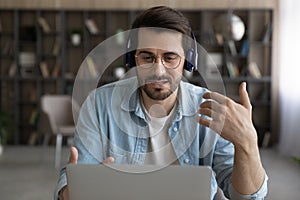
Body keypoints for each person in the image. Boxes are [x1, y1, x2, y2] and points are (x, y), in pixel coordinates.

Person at [55, 6, 268, 200]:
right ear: (132, 59)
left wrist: (248, 143)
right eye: (147, 57)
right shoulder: (98, 105)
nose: (158, 71)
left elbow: (247, 197)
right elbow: (70, 186)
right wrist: (73, 193)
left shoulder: (210, 108)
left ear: (188, 60)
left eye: (170, 58)